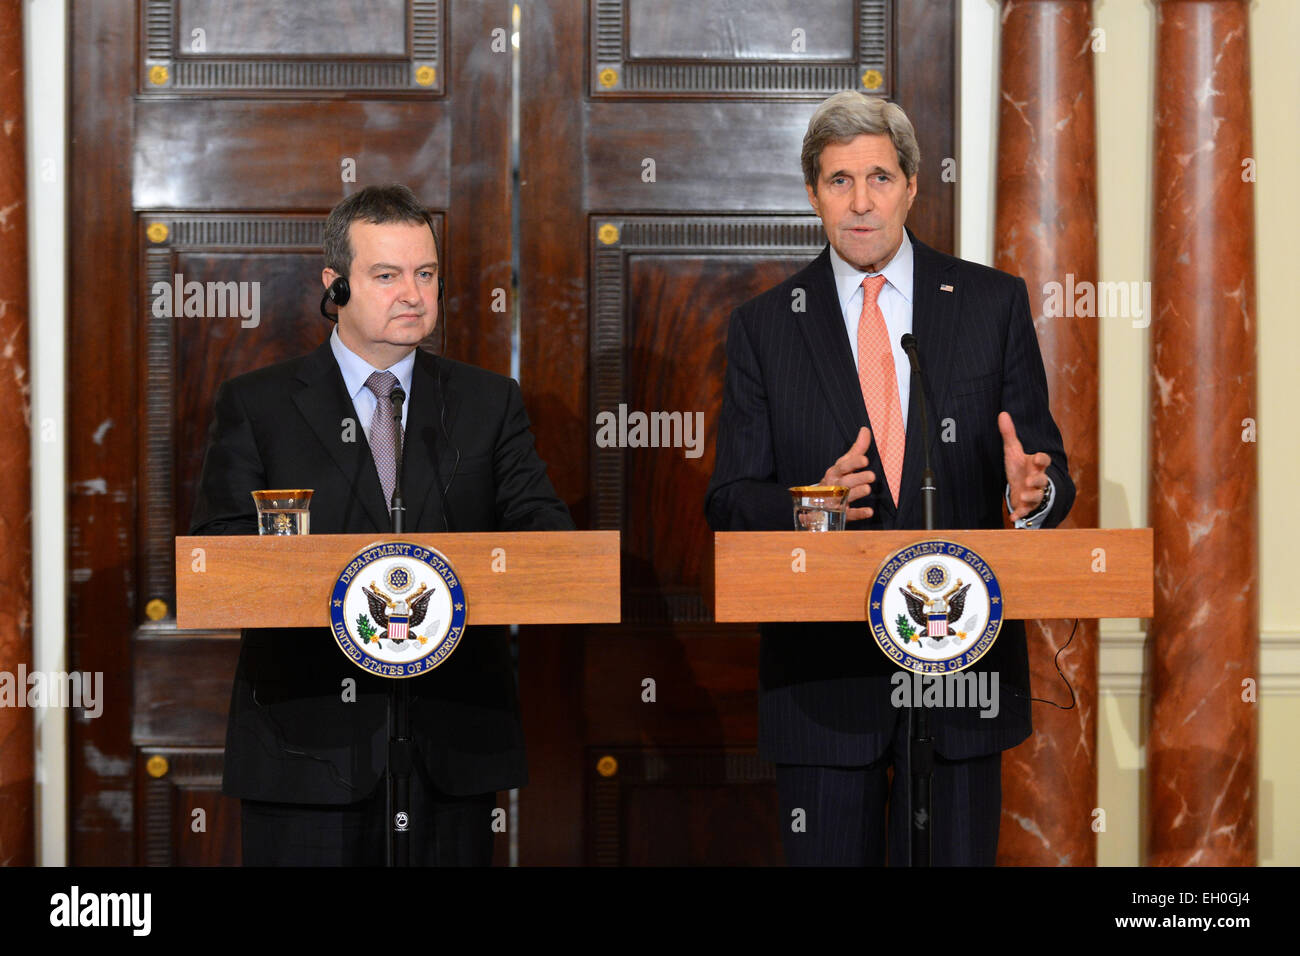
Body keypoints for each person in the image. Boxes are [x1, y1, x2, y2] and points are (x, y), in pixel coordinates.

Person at [704, 93, 1075, 866]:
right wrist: (810, 504)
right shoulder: (766, 325)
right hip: (823, 685)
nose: (861, 201)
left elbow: (1046, 472)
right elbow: (730, 501)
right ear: (813, 194)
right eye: (839, 181)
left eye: (878, 177)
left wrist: (1028, 497)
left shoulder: (989, 303)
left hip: (960, 673)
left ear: (911, 184)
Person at [190, 184, 573, 866]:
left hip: (449, 752)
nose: (414, 295)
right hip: (306, 748)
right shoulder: (259, 404)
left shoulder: (488, 403)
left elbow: (545, 540)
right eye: (387, 275)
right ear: (334, 286)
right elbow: (220, 557)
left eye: (425, 274)